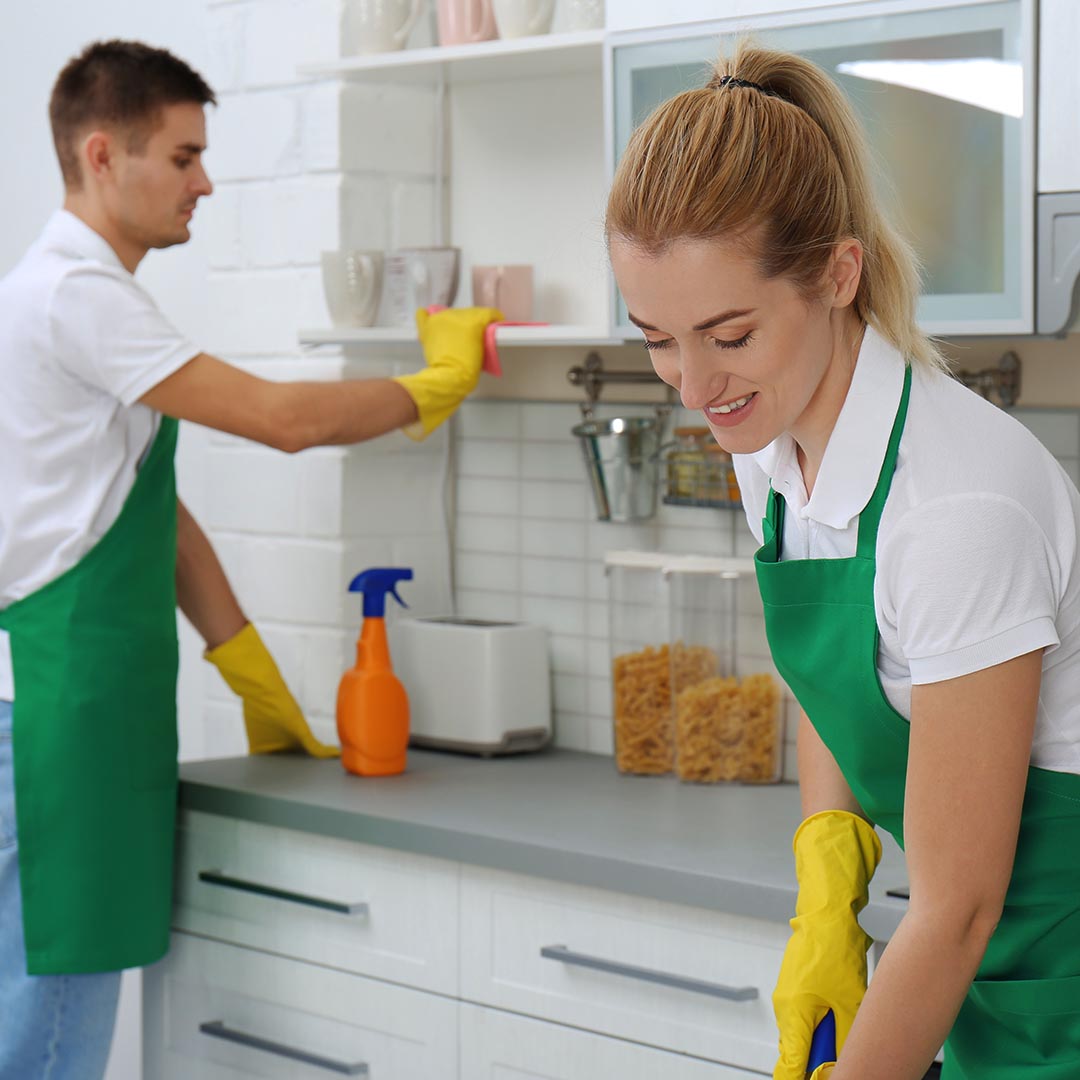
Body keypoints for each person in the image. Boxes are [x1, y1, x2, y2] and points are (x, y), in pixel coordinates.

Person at [0, 39, 499, 1077]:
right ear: (103, 155)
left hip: (74, 706)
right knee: (48, 1024)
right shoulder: (74, 295)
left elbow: (147, 512)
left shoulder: (76, 293)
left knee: (50, 1002)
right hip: (56, 715)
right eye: (182, 158)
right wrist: (431, 385)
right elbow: (280, 420)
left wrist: (242, 658)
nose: (205, 182)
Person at [606, 40, 1080, 1080]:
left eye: (728, 333)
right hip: (975, 976)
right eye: (656, 339)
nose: (692, 387)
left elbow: (956, 910)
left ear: (837, 272)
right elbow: (839, 686)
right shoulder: (766, 445)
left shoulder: (959, 511)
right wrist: (830, 876)